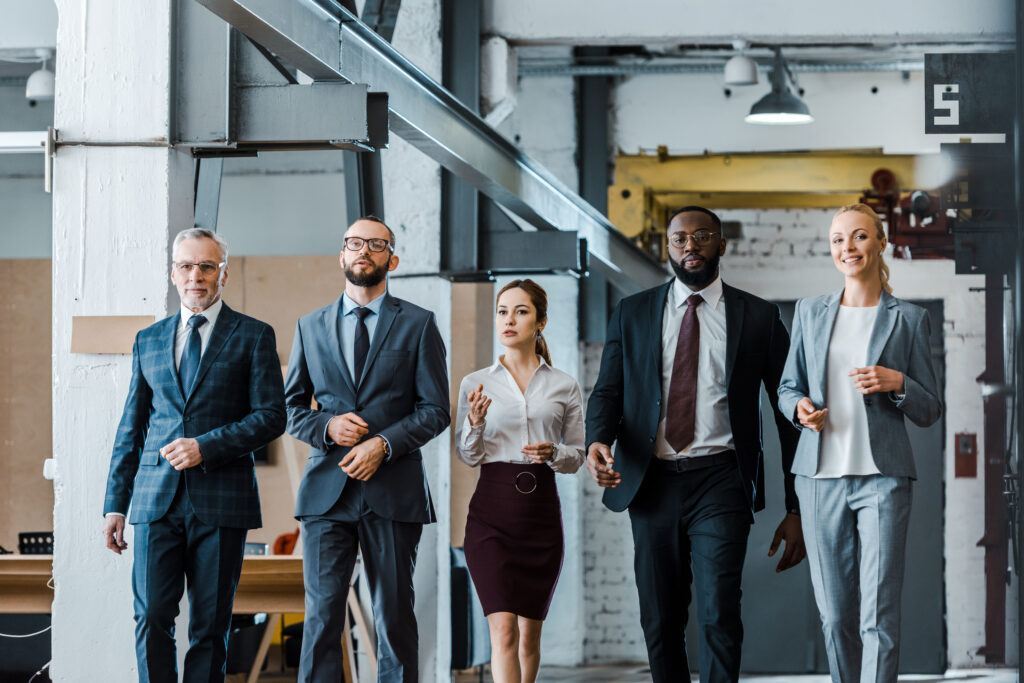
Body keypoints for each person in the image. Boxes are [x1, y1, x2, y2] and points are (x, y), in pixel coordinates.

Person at [585, 206, 805, 683]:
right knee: (661, 617)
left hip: (721, 479)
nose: (690, 246)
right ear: (667, 247)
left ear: (721, 245)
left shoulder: (759, 317)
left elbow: (790, 414)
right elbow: (608, 391)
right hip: (650, 479)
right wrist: (596, 442)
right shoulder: (633, 312)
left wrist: (796, 506)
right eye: (679, 238)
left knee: (718, 609)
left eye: (702, 236)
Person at [102, 228, 286, 683]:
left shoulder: (254, 336)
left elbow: (271, 417)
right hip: (153, 500)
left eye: (206, 266)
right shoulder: (149, 339)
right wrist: (114, 504)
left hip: (221, 501)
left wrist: (207, 446)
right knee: (151, 618)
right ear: (173, 273)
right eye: (186, 266)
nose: (195, 276)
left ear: (224, 272)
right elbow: (132, 427)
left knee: (210, 627)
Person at [778, 203, 942, 683]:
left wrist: (898, 382)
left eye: (858, 237)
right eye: (837, 240)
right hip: (819, 479)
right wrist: (800, 409)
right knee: (835, 618)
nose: (847, 248)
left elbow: (930, 409)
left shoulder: (908, 319)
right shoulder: (809, 312)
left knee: (879, 617)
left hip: (884, 480)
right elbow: (789, 387)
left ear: (880, 242)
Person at [284, 216, 450, 683]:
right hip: (326, 496)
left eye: (376, 245)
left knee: (393, 617)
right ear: (341, 256)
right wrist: (328, 425)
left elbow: (436, 409)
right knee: (320, 618)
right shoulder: (309, 326)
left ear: (391, 259)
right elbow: (291, 408)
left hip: (394, 491)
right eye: (354, 243)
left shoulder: (418, 324)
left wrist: (384, 444)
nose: (364, 251)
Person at [454, 279, 585, 683]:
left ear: (541, 321)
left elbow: (578, 455)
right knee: (504, 629)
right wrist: (475, 424)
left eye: (521, 311)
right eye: (502, 311)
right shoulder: (475, 383)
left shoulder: (563, 385)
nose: (508, 319)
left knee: (529, 637)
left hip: (541, 516)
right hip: (490, 515)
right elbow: (468, 455)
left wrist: (554, 454)